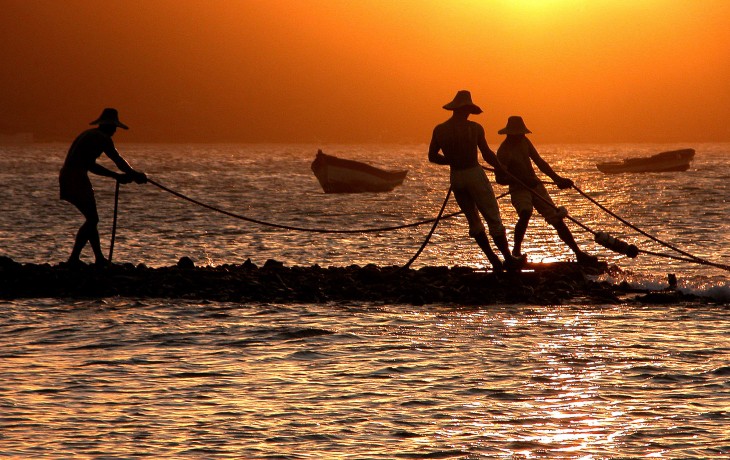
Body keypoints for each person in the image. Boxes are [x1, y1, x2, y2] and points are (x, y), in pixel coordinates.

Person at [428, 90, 524, 272]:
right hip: (473, 173)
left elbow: (432, 157)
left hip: (456, 177)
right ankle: (508, 259)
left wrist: (452, 160)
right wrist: (500, 168)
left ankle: (494, 260)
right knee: (492, 217)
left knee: (473, 221)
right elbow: (487, 154)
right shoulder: (474, 128)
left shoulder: (440, 129)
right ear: (467, 109)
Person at [495, 115, 598, 264]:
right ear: (510, 134)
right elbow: (500, 179)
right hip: (519, 188)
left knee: (556, 218)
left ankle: (578, 253)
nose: (522, 136)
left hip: (536, 186)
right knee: (525, 213)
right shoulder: (503, 151)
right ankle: (516, 252)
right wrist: (523, 180)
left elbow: (540, 162)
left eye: (522, 133)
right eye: (519, 134)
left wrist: (557, 179)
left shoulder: (525, 142)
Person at [59, 108, 147, 266]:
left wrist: (127, 175)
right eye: (114, 127)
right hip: (75, 177)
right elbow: (114, 161)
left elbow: (94, 164)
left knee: (92, 219)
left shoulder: (89, 134)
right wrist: (129, 175)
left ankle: (98, 258)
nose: (114, 131)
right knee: (93, 219)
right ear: (109, 127)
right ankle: (74, 259)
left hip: (70, 175)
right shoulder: (102, 138)